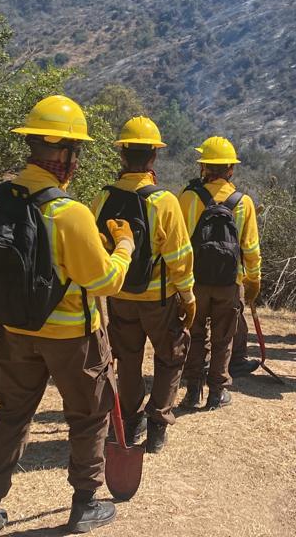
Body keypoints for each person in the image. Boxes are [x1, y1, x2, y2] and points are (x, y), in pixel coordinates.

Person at [0, 96, 136, 536]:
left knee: (12, 414)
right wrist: (124, 246)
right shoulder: (69, 212)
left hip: (15, 330)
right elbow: (104, 282)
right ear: (66, 155)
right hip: (72, 338)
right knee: (88, 417)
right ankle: (85, 504)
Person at [89, 117, 196, 454]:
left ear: (122, 155)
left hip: (119, 296)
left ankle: (130, 423)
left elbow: (94, 250)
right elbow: (179, 256)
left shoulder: (102, 198)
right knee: (170, 358)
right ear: (153, 157)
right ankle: (158, 426)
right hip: (159, 300)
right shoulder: (163, 201)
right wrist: (188, 295)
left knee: (129, 361)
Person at [179, 136, 262, 409]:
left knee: (195, 334)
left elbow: (178, 244)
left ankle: (192, 391)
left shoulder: (187, 197)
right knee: (223, 338)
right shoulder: (243, 202)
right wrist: (252, 281)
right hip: (229, 282)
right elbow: (250, 248)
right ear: (231, 169)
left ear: (203, 166)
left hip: (195, 281)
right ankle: (217, 392)